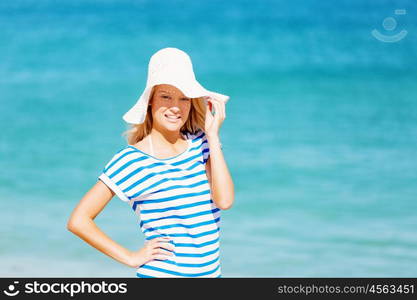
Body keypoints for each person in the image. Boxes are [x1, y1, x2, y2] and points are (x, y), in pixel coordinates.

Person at [67, 47, 234, 278]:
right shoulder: (131, 161)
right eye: (166, 96)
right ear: (150, 102)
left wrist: (213, 136)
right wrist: (130, 257)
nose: (175, 107)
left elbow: (224, 201)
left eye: (183, 98)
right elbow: (79, 220)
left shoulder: (202, 145)